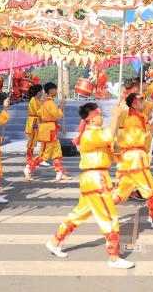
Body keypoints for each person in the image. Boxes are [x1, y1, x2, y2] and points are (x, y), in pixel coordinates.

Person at [47, 101, 133, 268]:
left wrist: (116, 151)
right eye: (99, 115)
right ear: (92, 119)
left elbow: (113, 155)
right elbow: (108, 136)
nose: (102, 117)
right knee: (109, 217)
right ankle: (114, 258)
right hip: (96, 178)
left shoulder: (97, 134)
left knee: (79, 214)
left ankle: (55, 242)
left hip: (94, 178)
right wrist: (115, 116)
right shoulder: (90, 134)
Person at [112, 91, 153, 229]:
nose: (144, 103)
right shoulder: (133, 119)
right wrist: (151, 129)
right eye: (140, 101)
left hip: (129, 157)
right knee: (150, 190)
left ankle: (104, 211)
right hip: (135, 158)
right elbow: (136, 140)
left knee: (121, 191)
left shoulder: (137, 117)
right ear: (133, 104)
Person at [24, 83, 68, 181]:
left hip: (50, 127)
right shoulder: (48, 103)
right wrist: (61, 106)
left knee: (57, 151)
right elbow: (56, 115)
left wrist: (58, 125)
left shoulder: (44, 102)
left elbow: (41, 113)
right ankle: (29, 168)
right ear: (50, 90)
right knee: (44, 154)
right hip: (47, 129)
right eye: (55, 89)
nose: (56, 91)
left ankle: (59, 172)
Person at [23, 84, 43, 167]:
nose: (42, 92)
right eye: (42, 91)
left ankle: (38, 159)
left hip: (37, 121)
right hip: (34, 122)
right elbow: (38, 112)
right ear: (38, 92)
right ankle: (29, 161)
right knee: (31, 142)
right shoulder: (34, 100)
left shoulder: (37, 100)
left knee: (35, 141)